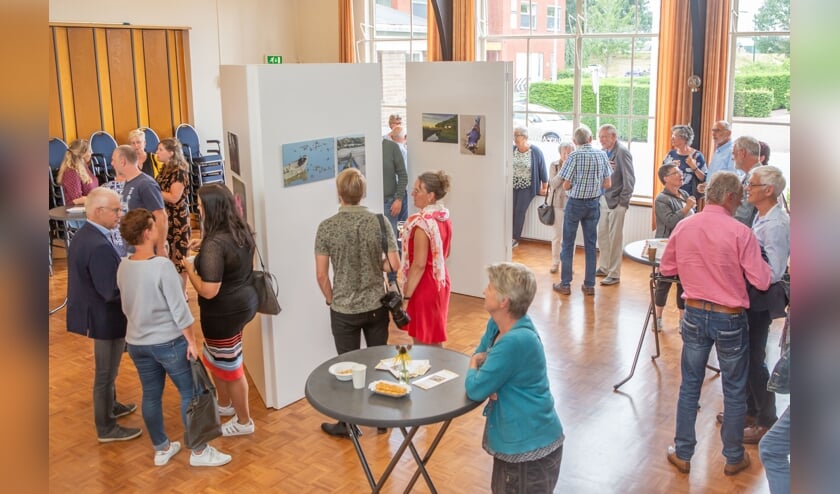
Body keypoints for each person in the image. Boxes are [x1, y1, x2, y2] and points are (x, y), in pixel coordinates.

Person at [660, 171, 771, 476]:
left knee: (690, 386)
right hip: (730, 316)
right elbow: (761, 280)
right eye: (739, 198)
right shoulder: (741, 232)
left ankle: (683, 453)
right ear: (730, 197)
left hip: (694, 312)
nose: (741, 203)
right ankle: (733, 457)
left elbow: (667, 267)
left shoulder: (684, 226)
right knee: (734, 390)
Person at [117, 208, 231, 467]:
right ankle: (200, 452)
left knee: (150, 394)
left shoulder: (123, 266)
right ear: (147, 233)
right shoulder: (162, 267)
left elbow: (126, 306)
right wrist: (191, 341)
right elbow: (180, 310)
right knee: (190, 394)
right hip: (168, 342)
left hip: (137, 343)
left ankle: (162, 448)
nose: (158, 228)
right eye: (154, 226)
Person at [465, 262, 564, 494]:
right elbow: (483, 361)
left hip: (529, 453)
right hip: (517, 447)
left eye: (489, 286)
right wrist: (489, 374)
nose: (483, 290)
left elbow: (476, 387)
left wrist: (475, 367)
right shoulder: (498, 326)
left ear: (504, 301)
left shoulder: (515, 341)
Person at [314, 168, 399, 437]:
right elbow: (393, 264)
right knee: (378, 361)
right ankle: (382, 418)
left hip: (343, 309)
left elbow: (320, 274)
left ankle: (348, 425)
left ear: (339, 194)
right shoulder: (380, 222)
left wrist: (331, 298)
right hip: (376, 305)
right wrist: (376, 266)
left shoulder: (327, 227)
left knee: (347, 366)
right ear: (362, 194)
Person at [66, 187, 141, 443]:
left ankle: (112, 405)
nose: (120, 214)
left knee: (108, 370)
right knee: (105, 373)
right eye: (116, 210)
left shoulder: (85, 235)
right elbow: (110, 291)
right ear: (98, 211)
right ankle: (107, 428)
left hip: (96, 313)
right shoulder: (97, 245)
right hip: (104, 318)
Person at [183, 184, 258, 437]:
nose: (198, 209)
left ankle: (244, 421)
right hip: (243, 305)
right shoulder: (240, 229)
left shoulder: (215, 244)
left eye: (200, 206)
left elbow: (208, 290)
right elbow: (229, 256)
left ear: (211, 208)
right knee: (220, 358)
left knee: (232, 367)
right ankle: (225, 406)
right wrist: (204, 245)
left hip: (223, 313)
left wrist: (189, 268)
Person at [740, 165, 790, 444]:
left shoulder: (777, 224)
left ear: (769, 190)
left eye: (753, 184)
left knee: (754, 358)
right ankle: (750, 411)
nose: (747, 187)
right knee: (747, 355)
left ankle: (766, 419)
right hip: (750, 294)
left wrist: (743, 264)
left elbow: (774, 271)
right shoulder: (761, 216)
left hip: (760, 297)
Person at [553, 125, 612, 296]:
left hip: (575, 204)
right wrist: (594, 188)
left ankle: (565, 284)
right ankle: (589, 285)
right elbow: (608, 184)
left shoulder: (573, 156)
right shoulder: (601, 155)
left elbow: (566, 183)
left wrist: (575, 186)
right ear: (591, 138)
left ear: (574, 141)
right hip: (593, 204)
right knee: (591, 244)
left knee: (568, 244)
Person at [399, 170, 452, 346]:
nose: (412, 194)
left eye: (417, 190)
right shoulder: (443, 218)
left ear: (430, 196)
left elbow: (419, 264)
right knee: (434, 338)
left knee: (423, 343)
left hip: (424, 286)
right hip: (440, 282)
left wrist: (406, 297)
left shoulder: (422, 225)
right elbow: (446, 253)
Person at [653, 163, 696, 329]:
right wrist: (686, 208)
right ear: (666, 178)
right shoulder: (661, 199)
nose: (680, 174)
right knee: (664, 283)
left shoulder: (684, 193)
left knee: (682, 284)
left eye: (679, 172)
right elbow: (670, 221)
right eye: (676, 172)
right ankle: (657, 318)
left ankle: (682, 320)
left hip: (686, 246)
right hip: (667, 246)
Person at [595, 124, 635, 286]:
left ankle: (614, 273)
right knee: (602, 236)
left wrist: (623, 203)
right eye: (600, 136)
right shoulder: (604, 152)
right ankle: (604, 267)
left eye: (605, 136)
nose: (601, 140)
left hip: (617, 202)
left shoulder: (622, 152)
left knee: (615, 239)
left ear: (614, 137)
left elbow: (629, 180)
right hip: (604, 199)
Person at [111, 144, 167, 255]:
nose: (112, 164)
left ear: (122, 161)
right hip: (132, 248)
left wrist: (160, 247)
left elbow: (161, 216)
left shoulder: (145, 184)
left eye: (113, 160)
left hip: (147, 249)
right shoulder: (129, 182)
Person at [155, 137, 191, 292]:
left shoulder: (179, 171)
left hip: (177, 218)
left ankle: (182, 292)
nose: (157, 152)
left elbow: (174, 197)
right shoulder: (164, 168)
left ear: (171, 153)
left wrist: (154, 191)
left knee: (179, 255)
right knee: (167, 254)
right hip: (165, 215)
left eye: (160, 149)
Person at [512, 126, 548, 248]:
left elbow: (543, 170)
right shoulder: (512, 150)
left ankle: (515, 238)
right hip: (512, 186)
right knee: (510, 211)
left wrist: (544, 187)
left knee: (519, 212)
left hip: (527, 187)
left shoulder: (535, 151)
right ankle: (507, 235)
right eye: (514, 135)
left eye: (518, 135)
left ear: (525, 137)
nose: (515, 138)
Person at [382, 133, 408, 287]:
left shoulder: (391, 147)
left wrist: (398, 198)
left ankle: (392, 281)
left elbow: (403, 175)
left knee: (392, 244)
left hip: (389, 203)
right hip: (369, 203)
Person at [547, 141, 574, 273]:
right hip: (557, 204)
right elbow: (553, 184)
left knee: (570, 237)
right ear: (560, 153)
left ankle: (568, 265)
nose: (567, 155)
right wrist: (564, 171)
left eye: (570, 152)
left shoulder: (576, 165)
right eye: (565, 152)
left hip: (572, 204)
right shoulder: (554, 165)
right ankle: (555, 262)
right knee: (557, 236)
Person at [663, 124, 706, 201]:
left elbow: (704, 178)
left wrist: (694, 167)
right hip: (670, 197)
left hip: (689, 198)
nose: (671, 139)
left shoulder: (697, 156)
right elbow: (661, 174)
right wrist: (670, 167)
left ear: (683, 139)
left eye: (674, 136)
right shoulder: (670, 155)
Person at [57, 138, 100, 206]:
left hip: (90, 205)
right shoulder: (71, 172)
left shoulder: (84, 167)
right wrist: (99, 199)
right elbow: (77, 199)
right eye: (89, 151)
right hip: (77, 210)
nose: (91, 153)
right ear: (83, 154)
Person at [732, 135, 762, 226]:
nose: (732, 158)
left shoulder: (756, 178)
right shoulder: (753, 175)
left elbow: (742, 216)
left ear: (742, 153)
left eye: (734, 154)